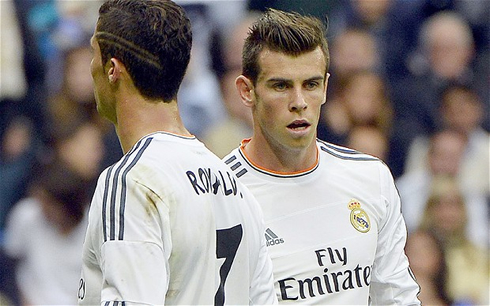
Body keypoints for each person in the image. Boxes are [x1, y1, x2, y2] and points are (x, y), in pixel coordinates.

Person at [79, 0, 276, 305]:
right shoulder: (236, 187)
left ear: (112, 70)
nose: (89, 67)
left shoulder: (133, 181)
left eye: (93, 54)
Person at [223, 8, 420, 304]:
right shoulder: (222, 194)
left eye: (311, 85)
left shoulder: (371, 178)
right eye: (281, 86)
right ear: (246, 91)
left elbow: (397, 297)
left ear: (326, 88)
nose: (299, 102)